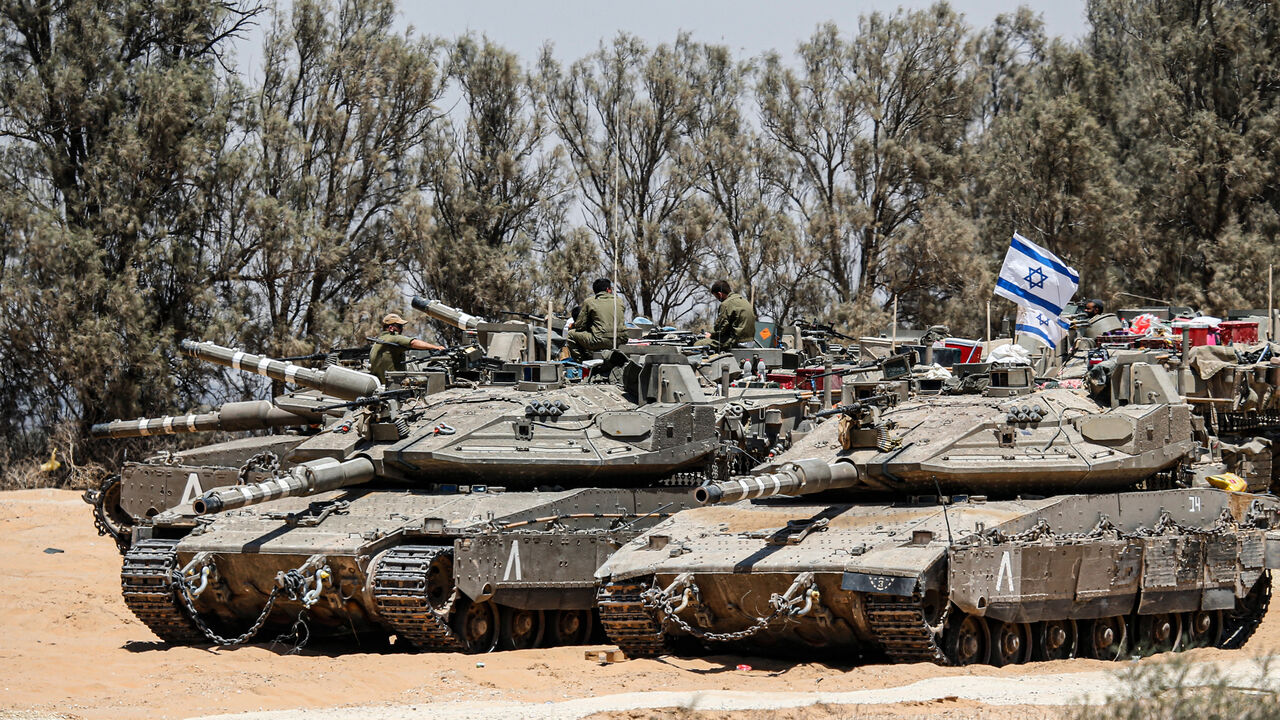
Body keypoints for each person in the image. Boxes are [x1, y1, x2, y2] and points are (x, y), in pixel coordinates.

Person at [369, 312, 445, 384]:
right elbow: (413, 342)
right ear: (391, 328)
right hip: (394, 385)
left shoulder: (378, 342)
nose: (401, 329)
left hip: (382, 384)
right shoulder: (392, 338)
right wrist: (436, 347)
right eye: (399, 326)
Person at [568, 278, 622, 361]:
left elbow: (580, 325)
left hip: (600, 340)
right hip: (620, 339)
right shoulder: (619, 301)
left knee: (571, 334)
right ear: (608, 289)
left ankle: (582, 362)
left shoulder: (590, 302)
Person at [696, 280, 756, 351]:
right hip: (750, 341)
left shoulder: (726, 304)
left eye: (716, 296)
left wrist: (710, 335)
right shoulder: (743, 300)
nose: (718, 299)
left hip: (736, 341)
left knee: (697, 344)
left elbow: (721, 328)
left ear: (720, 294)